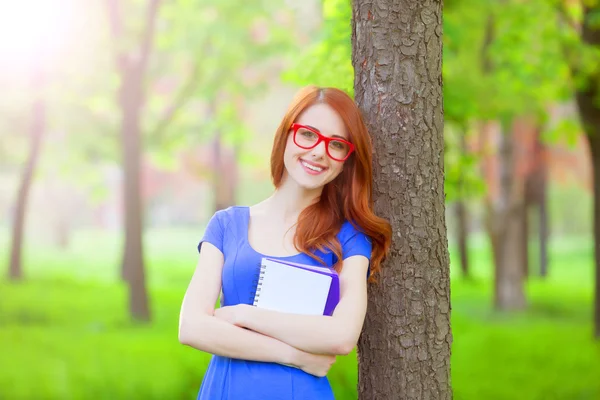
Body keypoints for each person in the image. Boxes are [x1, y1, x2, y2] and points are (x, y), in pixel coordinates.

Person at [178, 85, 392, 400]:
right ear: (287, 135)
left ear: (346, 160)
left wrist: (242, 314)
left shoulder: (348, 237)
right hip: (226, 390)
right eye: (308, 134)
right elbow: (192, 327)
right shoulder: (227, 225)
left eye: (336, 144)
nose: (319, 151)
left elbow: (342, 336)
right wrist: (296, 355)